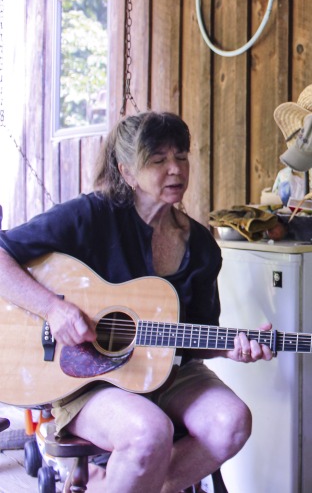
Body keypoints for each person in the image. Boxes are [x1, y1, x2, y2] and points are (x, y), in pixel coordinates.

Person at [0, 111, 273, 492]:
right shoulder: (90, 216)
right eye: (158, 160)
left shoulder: (202, 247)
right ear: (126, 172)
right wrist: (53, 308)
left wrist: (232, 350)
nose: (175, 169)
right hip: (83, 377)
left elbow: (197, 339)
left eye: (181, 156)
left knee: (232, 422)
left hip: (167, 370)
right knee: (149, 432)